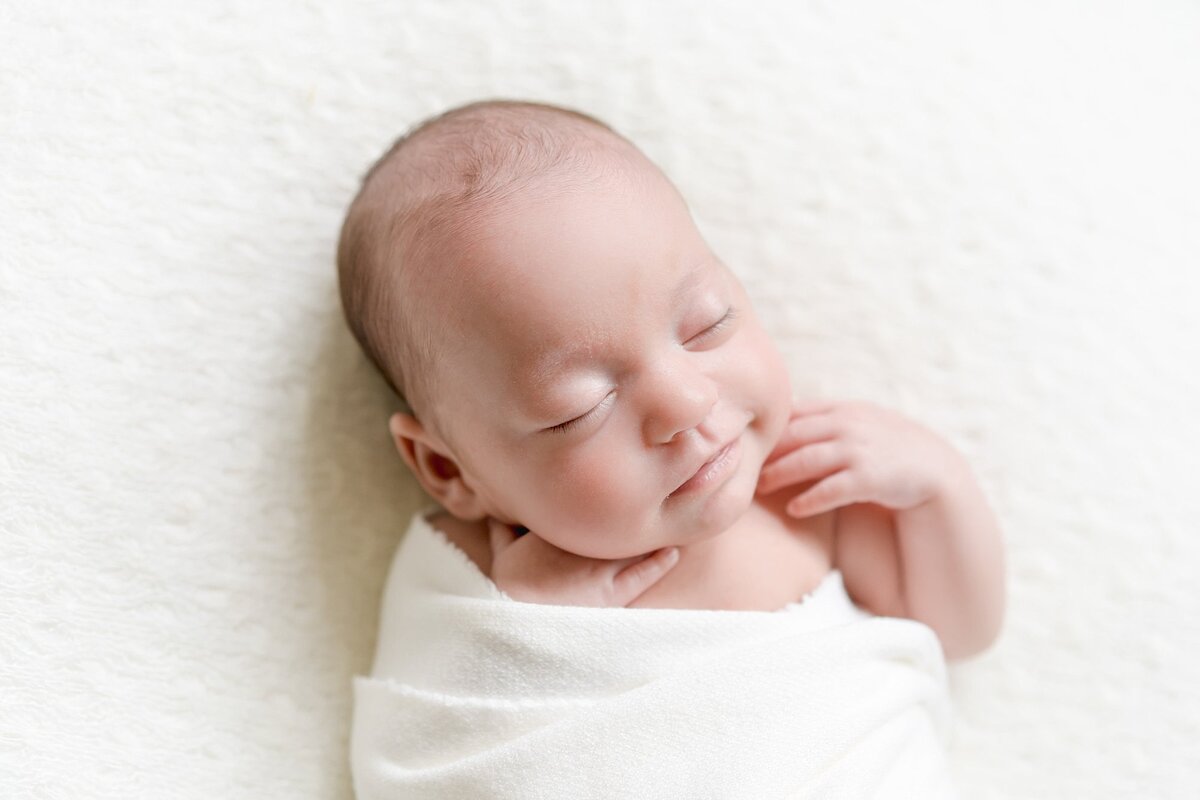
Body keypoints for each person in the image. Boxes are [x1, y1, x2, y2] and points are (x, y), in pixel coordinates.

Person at [337, 98, 1004, 661]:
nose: (688, 402)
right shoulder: (469, 582)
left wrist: (941, 492)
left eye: (706, 326)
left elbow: (955, 635)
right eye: (584, 407)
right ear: (449, 470)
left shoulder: (801, 497)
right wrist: (524, 636)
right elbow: (434, 750)